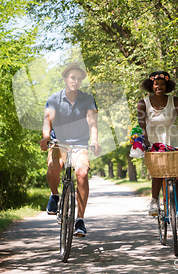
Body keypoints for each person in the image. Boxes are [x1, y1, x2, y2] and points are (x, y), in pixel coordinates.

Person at [39, 62, 101, 237]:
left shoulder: (87, 99)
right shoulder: (54, 99)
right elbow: (47, 120)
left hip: (80, 143)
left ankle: (80, 219)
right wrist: (45, 137)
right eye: (73, 77)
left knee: (82, 173)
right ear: (66, 79)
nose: (76, 81)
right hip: (59, 142)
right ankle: (55, 195)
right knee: (53, 165)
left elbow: (92, 121)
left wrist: (94, 140)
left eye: (79, 79)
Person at [137, 71, 178, 231]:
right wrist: (145, 141)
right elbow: (142, 126)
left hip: (173, 139)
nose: (159, 87)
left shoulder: (175, 101)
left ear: (167, 86)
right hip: (153, 141)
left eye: (162, 84)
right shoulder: (143, 103)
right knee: (158, 172)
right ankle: (154, 200)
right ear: (151, 86)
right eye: (156, 84)